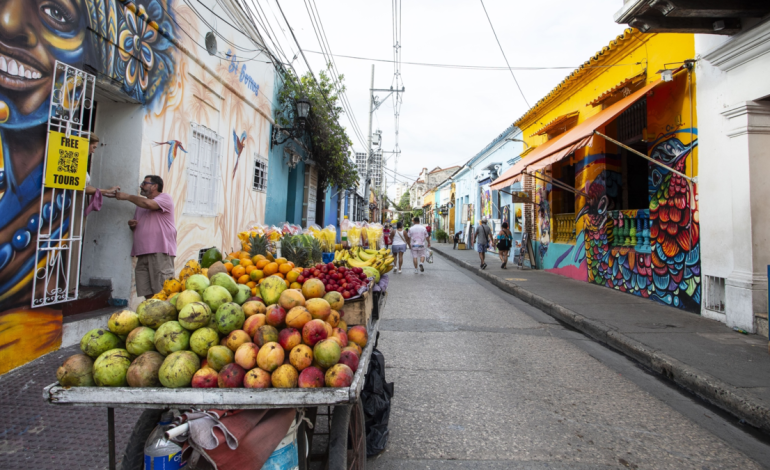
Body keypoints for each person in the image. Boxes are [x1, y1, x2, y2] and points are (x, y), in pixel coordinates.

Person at [106, 175, 177, 299]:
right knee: (147, 291)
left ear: (155, 186)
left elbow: (148, 204)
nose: (141, 186)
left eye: (144, 183)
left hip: (159, 252)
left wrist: (127, 197)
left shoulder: (165, 198)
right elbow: (142, 220)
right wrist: (132, 225)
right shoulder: (140, 205)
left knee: (163, 290)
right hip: (142, 253)